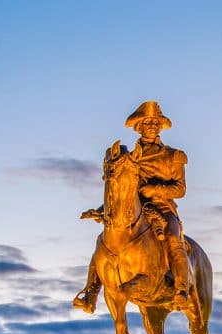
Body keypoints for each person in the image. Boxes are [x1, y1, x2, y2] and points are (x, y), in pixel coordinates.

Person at [73, 101, 191, 313]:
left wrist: (153, 190)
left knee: (174, 239)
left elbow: (180, 189)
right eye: (147, 122)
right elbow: (121, 188)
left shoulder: (174, 155)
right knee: (104, 240)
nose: (152, 126)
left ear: (161, 126)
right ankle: (90, 293)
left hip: (163, 208)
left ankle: (182, 290)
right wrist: (102, 209)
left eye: (155, 122)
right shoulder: (129, 158)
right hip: (131, 207)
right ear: (139, 126)